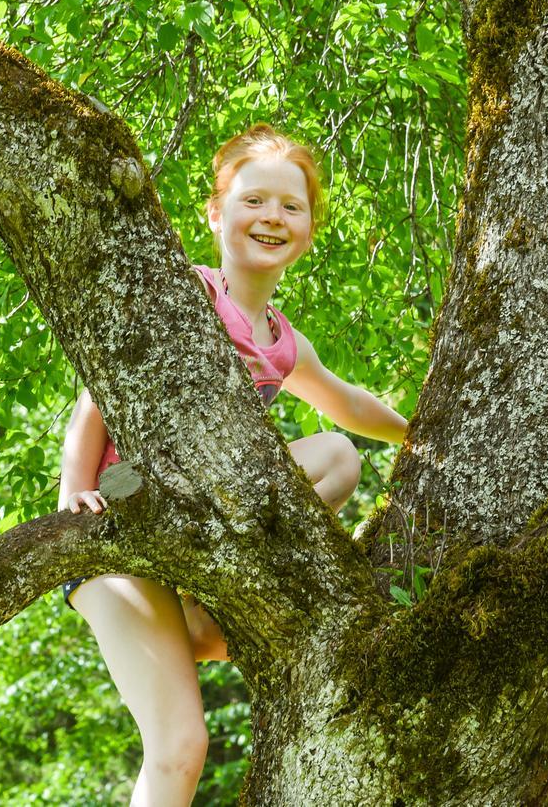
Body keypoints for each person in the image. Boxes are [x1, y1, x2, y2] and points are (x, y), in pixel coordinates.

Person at [57, 124, 407, 807]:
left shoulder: (281, 342)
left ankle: (206, 603)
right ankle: (182, 613)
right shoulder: (188, 292)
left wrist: (420, 435)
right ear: (216, 213)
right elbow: (98, 391)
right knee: (179, 748)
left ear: (308, 229)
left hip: (200, 532)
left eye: (291, 206)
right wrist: (76, 484)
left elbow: (348, 405)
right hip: (125, 517)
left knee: (336, 455)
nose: (272, 216)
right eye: (254, 200)